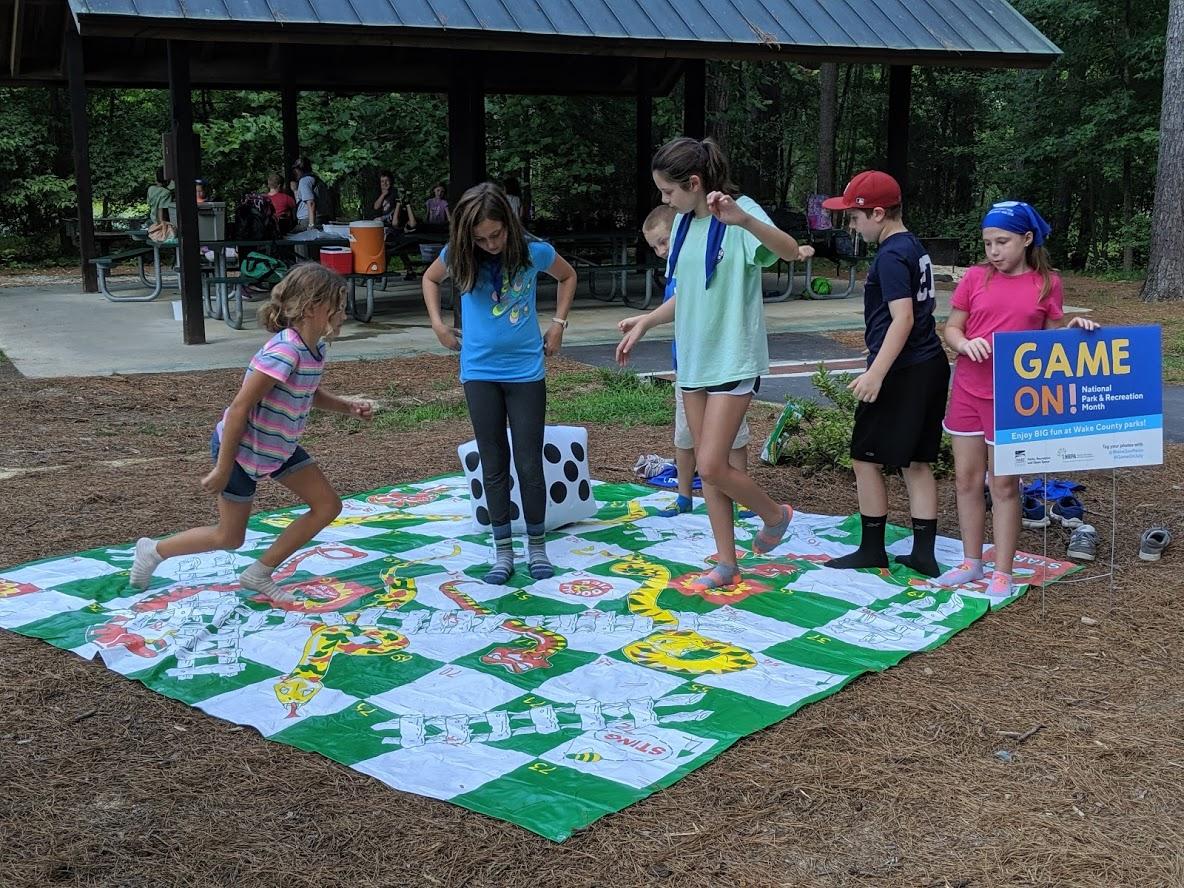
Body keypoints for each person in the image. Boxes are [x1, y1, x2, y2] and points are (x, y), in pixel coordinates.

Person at [616, 137, 813, 592]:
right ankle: (726, 563)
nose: (665, 201)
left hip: (733, 357)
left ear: (694, 182)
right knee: (711, 470)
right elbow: (687, 293)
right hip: (694, 362)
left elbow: (787, 251)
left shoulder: (738, 213)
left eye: (668, 192)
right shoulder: (684, 226)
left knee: (710, 465)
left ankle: (774, 514)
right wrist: (647, 322)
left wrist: (744, 219)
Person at [129, 264, 374, 600]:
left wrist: (346, 405)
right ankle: (153, 551)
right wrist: (223, 467)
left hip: (277, 449)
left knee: (327, 505)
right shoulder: (285, 351)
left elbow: (308, 392)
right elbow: (240, 408)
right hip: (241, 450)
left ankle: (259, 574)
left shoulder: (316, 348)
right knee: (229, 537)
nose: (344, 313)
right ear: (314, 307)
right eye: (339, 305)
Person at [938, 201, 1099, 596]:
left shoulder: (1047, 283)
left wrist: (1078, 331)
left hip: (1014, 398)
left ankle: (1003, 571)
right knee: (967, 480)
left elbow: (1051, 342)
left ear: (1026, 240)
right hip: (968, 391)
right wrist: (964, 342)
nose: (994, 251)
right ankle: (971, 561)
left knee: (1005, 484)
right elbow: (952, 328)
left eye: (1003, 242)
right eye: (988, 243)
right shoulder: (975, 278)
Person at [422, 182, 577, 584]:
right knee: (493, 463)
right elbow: (430, 279)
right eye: (480, 238)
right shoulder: (458, 256)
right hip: (478, 372)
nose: (490, 243)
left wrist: (558, 324)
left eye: (496, 234)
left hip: (526, 371)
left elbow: (567, 276)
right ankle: (502, 550)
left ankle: (537, 547)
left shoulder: (532, 251)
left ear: (508, 224)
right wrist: (438, 325)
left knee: (529, 461)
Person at [819, 171, 950, 577]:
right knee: (916, 460)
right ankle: (923, 553)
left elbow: (903, 318)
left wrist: (877, 370)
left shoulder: (891, 254)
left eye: (855, 219)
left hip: (902, 370)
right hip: (929, 363)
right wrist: (876, 343)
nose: (852, 227)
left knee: (864, 457)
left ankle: (872, 548)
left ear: (878, 213)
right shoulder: (914, 246)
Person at [632, 204, 754, 519]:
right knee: (686, 436)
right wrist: (646, 322)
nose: (660, 252)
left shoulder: (711, 259)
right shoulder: (676, 272)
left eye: (663, 242)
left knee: (733, 438)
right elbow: (676, 307)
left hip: (723, 368)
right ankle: (685, 496)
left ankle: (743, 499)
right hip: (688, 369)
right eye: (654, 246)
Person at [292, 157, 317, 230]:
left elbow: (311, 203)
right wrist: (295, 190)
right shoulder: (314, 179)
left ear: (298, 170)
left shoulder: (304, 181)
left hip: (307, 220)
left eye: (295, 169)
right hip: (316, 217)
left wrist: (311, 225)